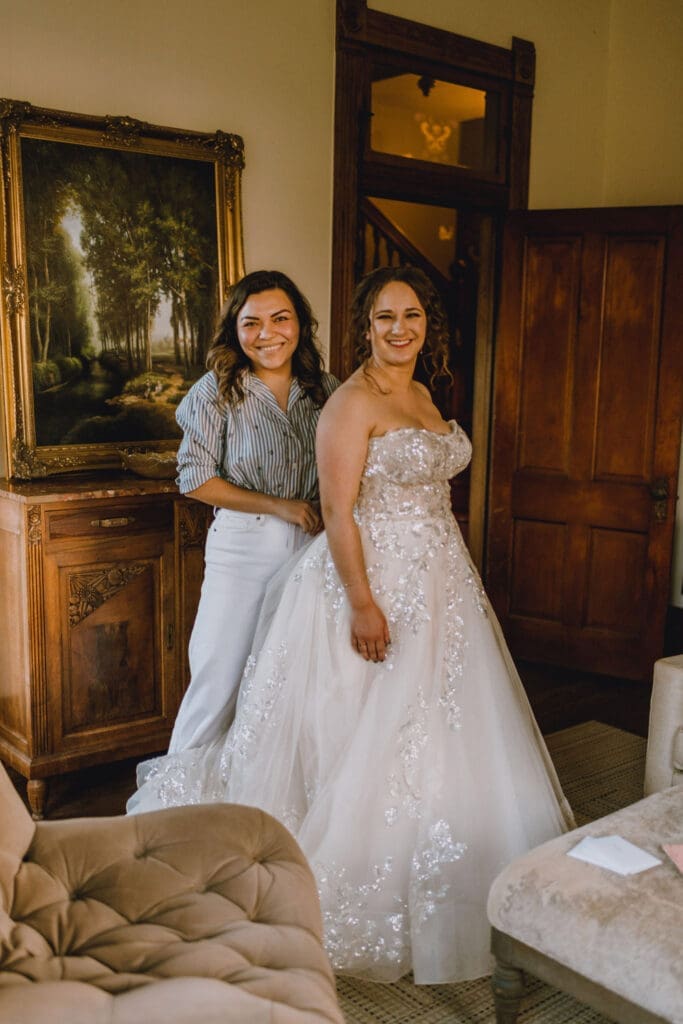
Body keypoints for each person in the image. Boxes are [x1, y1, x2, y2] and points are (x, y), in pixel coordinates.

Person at [128, 266, 574, 985]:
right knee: (220, 678)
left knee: (406, 710)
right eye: (384, 318)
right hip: (255, 542)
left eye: (412, 316)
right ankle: (177, 825)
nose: (398, 329)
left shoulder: (337, 390)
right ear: (364, 325)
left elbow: (358, 493)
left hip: (402, 566)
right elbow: (225, 483)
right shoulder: (252, 393)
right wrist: (354, 589)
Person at [164, 269, 338, 754]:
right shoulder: (216, 390)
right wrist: (280, 505)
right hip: (243, 547)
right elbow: (194, 478)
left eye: (280, 319)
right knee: (218, 675)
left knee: (291, 681)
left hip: (313, 550)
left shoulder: (326, 389)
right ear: (234, 330)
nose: (267, 334)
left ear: (300, 324)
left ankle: (258, 799)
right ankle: (179, 806)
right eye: (251, 323)